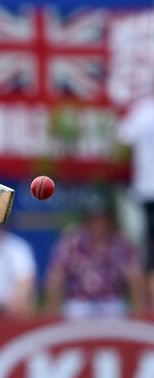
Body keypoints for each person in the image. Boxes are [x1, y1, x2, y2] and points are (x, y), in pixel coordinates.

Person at [45, 201, 144, 319]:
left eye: (103, 219)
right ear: (86, 220)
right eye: (94, 219)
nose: (99, 224)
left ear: (111, 220)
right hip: (79, 301)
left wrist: (139, 311)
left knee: (114, 313)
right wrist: (52, 310)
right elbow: (56, 274)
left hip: (111, 301)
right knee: (76, 312)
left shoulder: (121, 242)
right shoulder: (72, 241)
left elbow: (135, 277)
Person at [117, 96, 154, 307]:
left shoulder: (142, 111)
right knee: (142, 251)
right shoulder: (142, 110)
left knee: (145, 250)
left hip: (145, 188)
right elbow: (123, 141)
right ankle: (142, 302)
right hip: (145, 191)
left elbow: (122, 142)